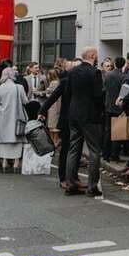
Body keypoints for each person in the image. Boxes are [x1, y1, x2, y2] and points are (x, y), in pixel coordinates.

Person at [64, 47, 105, 197]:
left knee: (73, 149)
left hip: (74, 113)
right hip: (90, 115)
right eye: (97, 55)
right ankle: (92, 186)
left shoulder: (72, 71)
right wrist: (101, 111)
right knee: (94, 151)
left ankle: (71, 184)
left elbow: (68, 93)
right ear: (92, 56)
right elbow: (98, 96)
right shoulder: (95, 72)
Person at [39, 60, 78, 189]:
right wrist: (42, 111)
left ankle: (73, 177)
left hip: (80, 120)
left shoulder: (83, 82)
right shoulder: (65, 82)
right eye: (73, 67)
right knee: (65, 149)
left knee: (75, 150)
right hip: (67, 120)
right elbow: (53, 97)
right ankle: (63, 177)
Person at [0, 67, 29, 172]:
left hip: (3, 118)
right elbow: (25, 101)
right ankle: (16, 163)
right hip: (17, 117)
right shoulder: (19, 87)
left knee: (3, 140)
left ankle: (4, 162)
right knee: (17, 139)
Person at [102, 56, 126, 161]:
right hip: (119, 107)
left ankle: (105, 154)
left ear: (115, 64)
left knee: (107, 131)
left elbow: (104, 89)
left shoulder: (107, 75)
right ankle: (114, 155)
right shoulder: (124, 76)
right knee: (118, 132)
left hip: (108, 106)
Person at [44, 69, 62, 147]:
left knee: (52, 125)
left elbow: (50, 94)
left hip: (53, 106)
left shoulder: (53, 83)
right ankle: (55, 141)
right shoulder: (58, 82)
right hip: (57, 105)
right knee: (54, 124)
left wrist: (45, 93)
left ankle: (55, 142)